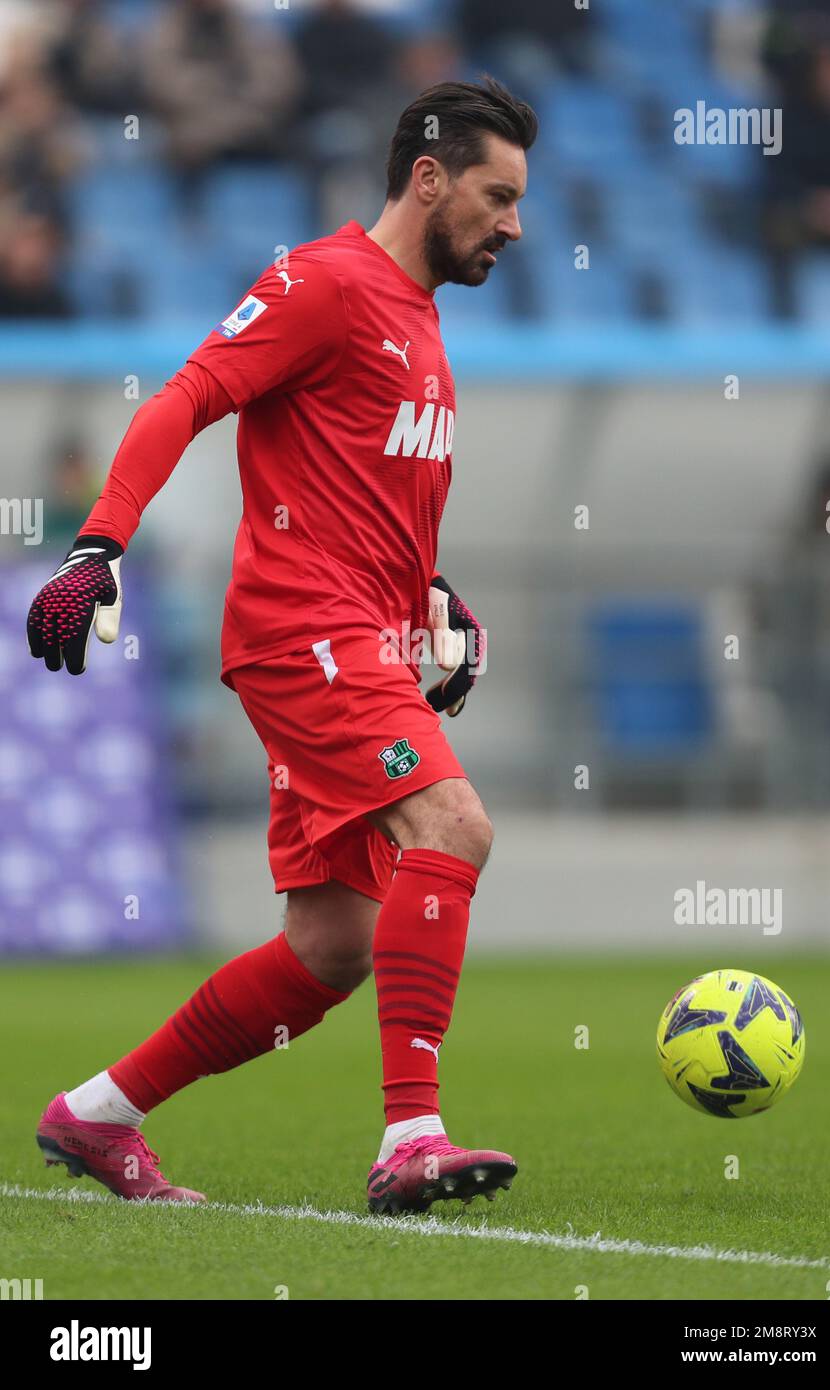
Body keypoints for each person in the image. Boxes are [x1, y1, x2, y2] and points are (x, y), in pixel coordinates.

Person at [27, 77, 536, 1215]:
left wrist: (436, 600)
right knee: (451, 824)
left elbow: (367, 493)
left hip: (355, 630)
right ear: (426, 177)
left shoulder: (419, 317)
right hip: (301, 630)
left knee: (330, 946)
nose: (514, 224)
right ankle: (411, 1134)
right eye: (497, 196)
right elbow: (189, 396)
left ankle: (99, 1113)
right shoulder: (322, 281)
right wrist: (96, 546)